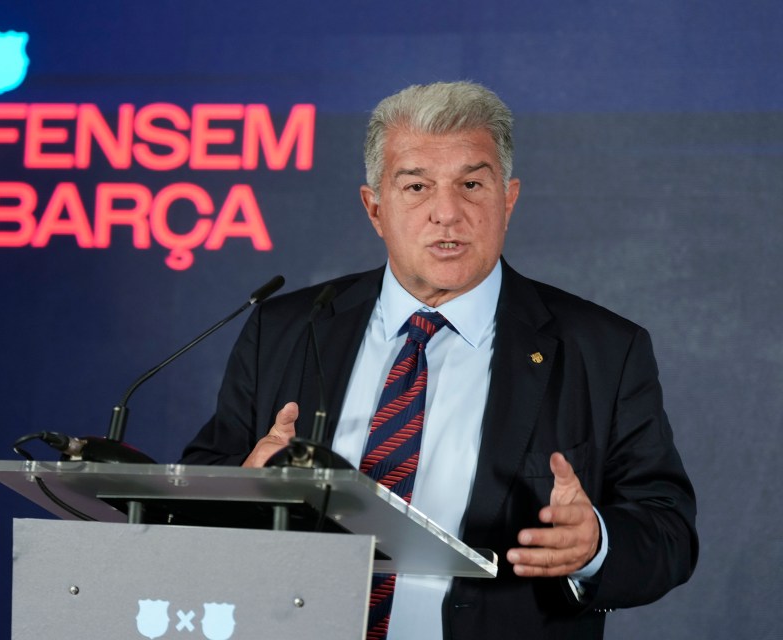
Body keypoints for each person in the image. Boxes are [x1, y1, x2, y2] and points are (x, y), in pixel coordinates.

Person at [180, 81, 698, 639]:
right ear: (375, 208)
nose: (447, 213)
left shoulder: (602, 349)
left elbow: (667, 532)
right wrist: (242, 491)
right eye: (417, 186)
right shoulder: (286, 328)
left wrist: (595, 543)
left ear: (508, 199)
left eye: (471, 184)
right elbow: (197, 491)